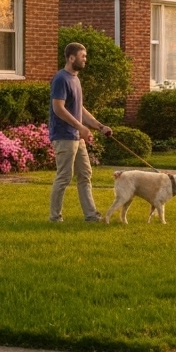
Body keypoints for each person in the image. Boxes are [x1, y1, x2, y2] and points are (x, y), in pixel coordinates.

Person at [49, 41, 113, 223]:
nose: (85, 59)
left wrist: (100, 126)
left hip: (76, 136)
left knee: (85, 174)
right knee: (64, 177)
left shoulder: (75, 79)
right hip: (63, 136)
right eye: (82, 56)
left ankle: (91, 215)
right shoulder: (61, 78)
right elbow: (58, 108)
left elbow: (80, 109)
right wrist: (81, 127)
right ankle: (55, 218)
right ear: (71, 58)